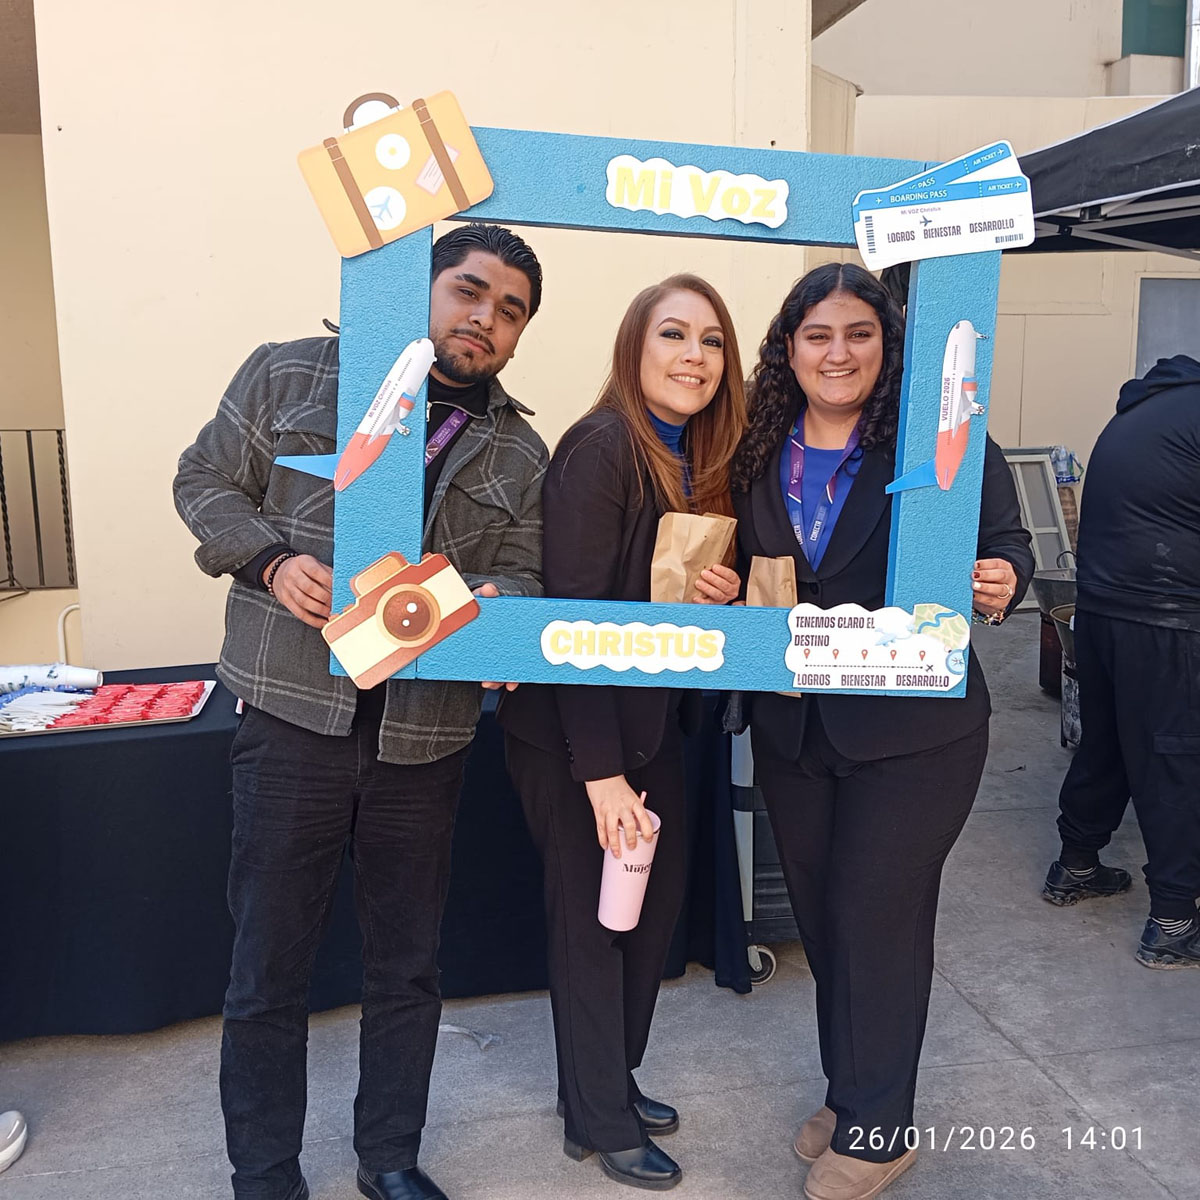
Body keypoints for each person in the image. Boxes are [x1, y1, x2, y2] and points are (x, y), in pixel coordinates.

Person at [173, 223, 548, 1200]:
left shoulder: (520, 448)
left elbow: (527, 570)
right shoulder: (292, 374)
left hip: (425, 736)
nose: (486, 318)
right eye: (469, 291)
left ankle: (389, 1157)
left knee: (408, 968)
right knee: (267, 968)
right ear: (421, 285)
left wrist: (500, 604)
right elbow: (203, 480)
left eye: (510, 311)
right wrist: (268, 559)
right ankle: (265, 1173)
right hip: (291, 716)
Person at [729, 263, 1032, 1200]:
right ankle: (853, 1088)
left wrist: (1002, 580)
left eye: (859, 333)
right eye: (818, 335)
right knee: (825, 919)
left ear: (888, 345)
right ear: (789, 348)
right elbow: (736, 560)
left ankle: (881, 1126)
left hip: (915, 733)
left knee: (877, 919)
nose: (838, 353)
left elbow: (1008, 545)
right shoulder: (755, 443)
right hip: (795, 726)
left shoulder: (944, 440)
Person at [499, 274, 746, 1191]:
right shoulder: (601, 447)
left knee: (647, 918)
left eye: (711, 341)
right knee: (593, 931)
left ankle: (606, 1082)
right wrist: (600, 777)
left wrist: (714, 593)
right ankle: (598, 1119)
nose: (694, 356)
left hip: (652, 727)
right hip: (577, 736)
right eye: (673, 335)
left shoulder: (696, 456)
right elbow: (570, 619)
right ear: (634, 348)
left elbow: (654, 602)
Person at [1043, 355, 1200, 968]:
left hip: (1101, 611)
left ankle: (1076, 864)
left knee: (1108, 743)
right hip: (1166, 620)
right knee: (1175, 760)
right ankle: (1174, 920)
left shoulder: (1145, 409)